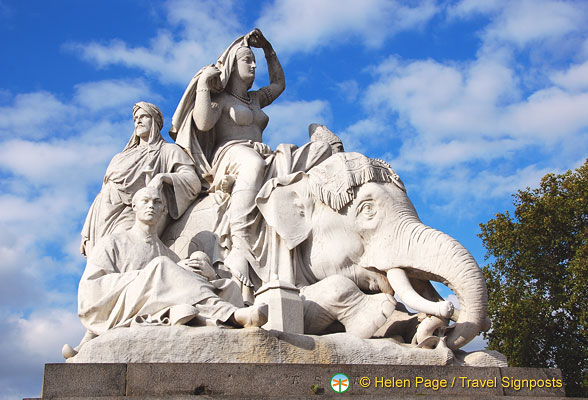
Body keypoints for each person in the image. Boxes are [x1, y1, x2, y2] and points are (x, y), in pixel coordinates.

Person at [170, 29, 331, 288]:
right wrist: (202, 86)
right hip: (231, 155)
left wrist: (268, 50)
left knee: (316, 154)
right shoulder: (221, 100)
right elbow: (202, 122)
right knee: (252, 164)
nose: (253, 65)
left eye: (254, 61)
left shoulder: (255, 99)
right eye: (247, 60)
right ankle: (240, 247)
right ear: (233, 65)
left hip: (262, 153)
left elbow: (279, 84)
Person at [77, 186, 267, 338]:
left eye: (157, 202)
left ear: (164, 210)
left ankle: (223, 321)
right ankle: (231, 315)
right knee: (161, 266)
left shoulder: (170, 256)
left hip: (161, 303)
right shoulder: (113, 243)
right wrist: (148, 276)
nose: (151, 205)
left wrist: (209, 276)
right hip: (122, 305)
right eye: (145, 201)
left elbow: (185, 287)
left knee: (228, 286)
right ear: (134, 207)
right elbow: (90, 289)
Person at [80, 101, 201, 257]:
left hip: (132, 212)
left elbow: (192, 180)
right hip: (103, 212)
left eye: (144, 116)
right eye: (136, 118)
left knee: (124, 249)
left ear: (156, 121)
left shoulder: (167, 150)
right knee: (101, 258)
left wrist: (162, 177)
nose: (138, 121)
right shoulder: (121, 156)